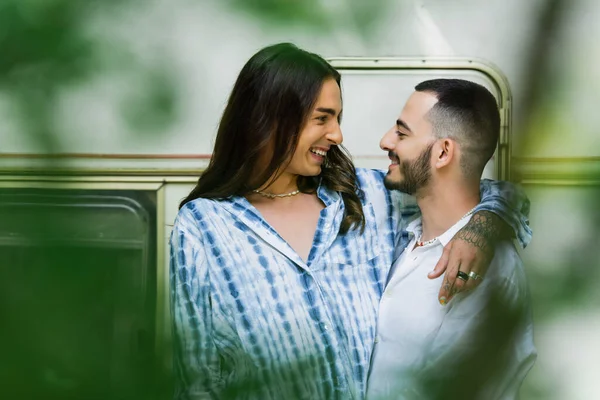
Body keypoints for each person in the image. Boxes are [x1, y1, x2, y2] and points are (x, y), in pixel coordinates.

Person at [169, 43, 532, 399]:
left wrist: (482, 225)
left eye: (338, 118)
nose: (338, 135)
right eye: (322, 118)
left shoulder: (368, 197)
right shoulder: (202, 227)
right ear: (271, 118)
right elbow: (198, 380)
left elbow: (471, 186)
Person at [366, 79, 536, 400]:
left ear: (443, 152)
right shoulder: (405, 234)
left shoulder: (485, 270)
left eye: (402, 133)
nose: (385, 141)